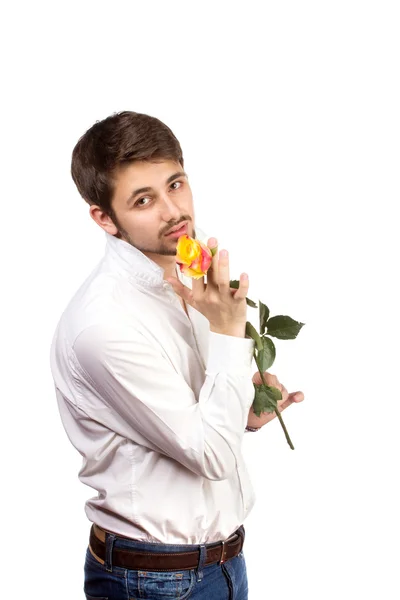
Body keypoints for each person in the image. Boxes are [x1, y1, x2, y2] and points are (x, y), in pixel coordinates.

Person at [49, 110, 304, 600]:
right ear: (105, 217)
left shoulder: (185, 274)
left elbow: (197, 426)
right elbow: (210, 457)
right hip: (154, 579)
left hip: (223, 562)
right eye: (143, 200)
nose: (174, 211)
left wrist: (242, 416)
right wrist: (230, 333)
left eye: (176, 184)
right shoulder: (104, 324)